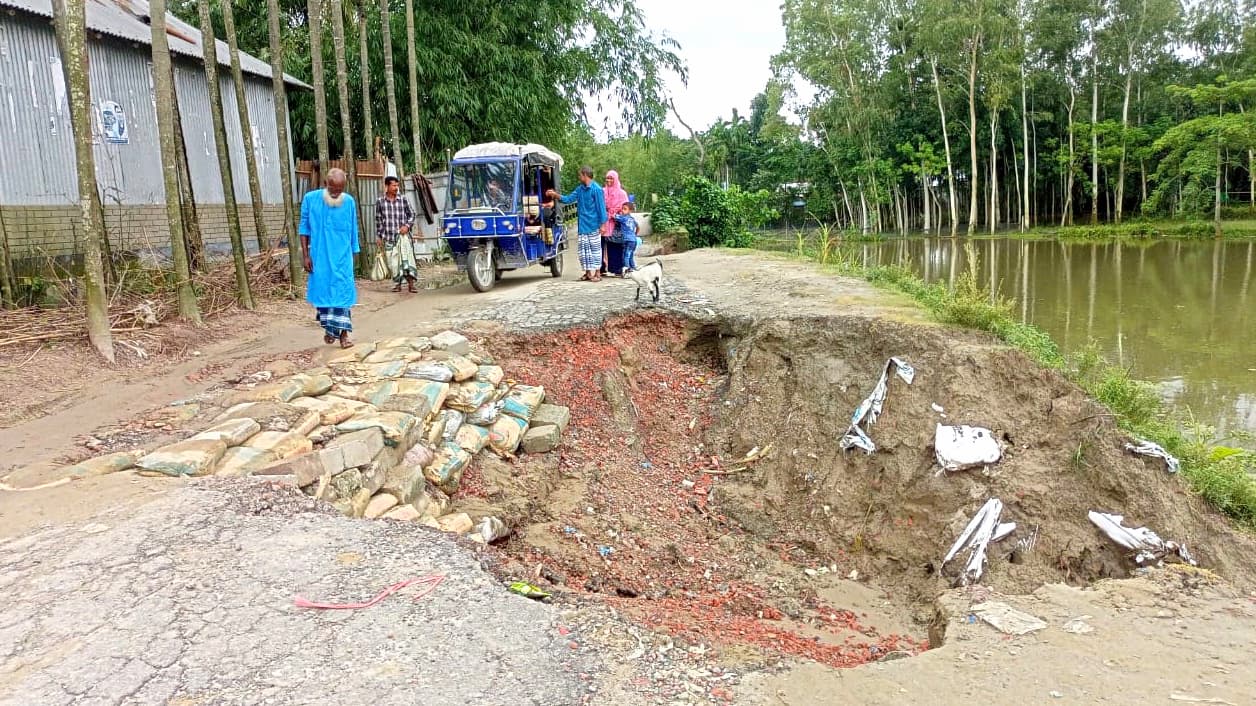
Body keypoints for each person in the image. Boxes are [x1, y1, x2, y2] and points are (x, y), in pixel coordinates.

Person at [300, 168, 359, 348]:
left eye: (339, 190)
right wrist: (305, 256)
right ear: (326, 184)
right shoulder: (310, 199)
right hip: (320, 259)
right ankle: (329, 328)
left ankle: (343, 336)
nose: (336, 194)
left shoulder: (348, 202)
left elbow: (353, 230)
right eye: (333, 190)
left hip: (342, 259)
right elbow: (304, 229)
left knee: (342, 298)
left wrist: (354, 253)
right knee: (324, 298)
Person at [548, 166, 607, 282]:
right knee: (584, 251)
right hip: (583, 225)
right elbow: (568, 199)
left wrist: (603, 224)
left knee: (595, 250)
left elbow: (601, 208)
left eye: (580, 175)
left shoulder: (597, 189)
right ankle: (588, 273)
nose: (579, 177)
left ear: (585, 175)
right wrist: (555, 195)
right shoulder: (580, 189)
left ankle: (598, 273)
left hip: (594, 225)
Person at [375, 176, 419, 293]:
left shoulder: (403, 199)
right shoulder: (380, 202)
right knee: (393, 263)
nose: (396, 188)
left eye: (397, 185)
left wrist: (407, 226)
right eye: (394, 185)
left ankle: (411, 284)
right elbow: (379, 220)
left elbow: (412, 214)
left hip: (403, 237)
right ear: (387, 186)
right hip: (389, 237)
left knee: (407, 260)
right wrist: (379, 236)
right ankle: (397, 284)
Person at [601, 170, 629, 276]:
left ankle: (616, 268)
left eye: (611, 178)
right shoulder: (602, 191)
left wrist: (617, 213)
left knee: (615, 245)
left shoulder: (622, 193)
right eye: (607, 178)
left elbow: (626, 207)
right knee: (601, 245)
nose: (609, 180)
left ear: (616, 179)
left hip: (616, 222)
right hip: (604, 221)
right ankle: (602, 267)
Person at [613, 201, 639, 273]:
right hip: (633, 240)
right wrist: (635, 234)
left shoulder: (623, 218)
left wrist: (615, 211)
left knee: (626, 255)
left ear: (630, 211)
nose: (622, 210)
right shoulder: (632, 219)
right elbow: (638, 226)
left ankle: (627, 270)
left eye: (624, 209)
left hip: (627, 240)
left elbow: (614, 216)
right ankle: (633, 267)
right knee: (630, 255)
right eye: (622, 208)